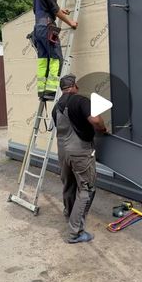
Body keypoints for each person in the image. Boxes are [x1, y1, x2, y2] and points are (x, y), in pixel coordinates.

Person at [52, 74, 107, 243]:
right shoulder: (80, 101)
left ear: (62, 89)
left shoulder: (56, 107)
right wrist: (102, 129)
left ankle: (70, 214)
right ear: (74, 86)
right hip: (81, 152)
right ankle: (75, 232)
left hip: (63, 152)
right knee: (86, 189)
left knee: (69, 185)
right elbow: (96, 120)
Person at [33, 0, 78, 100]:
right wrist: (70, 22)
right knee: (56, 59)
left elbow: (39, 9)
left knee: (43, 61)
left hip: (38, 28)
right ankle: (51, 92)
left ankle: (42, 92)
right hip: (47, 27)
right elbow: (53, 9)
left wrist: (60, 10)